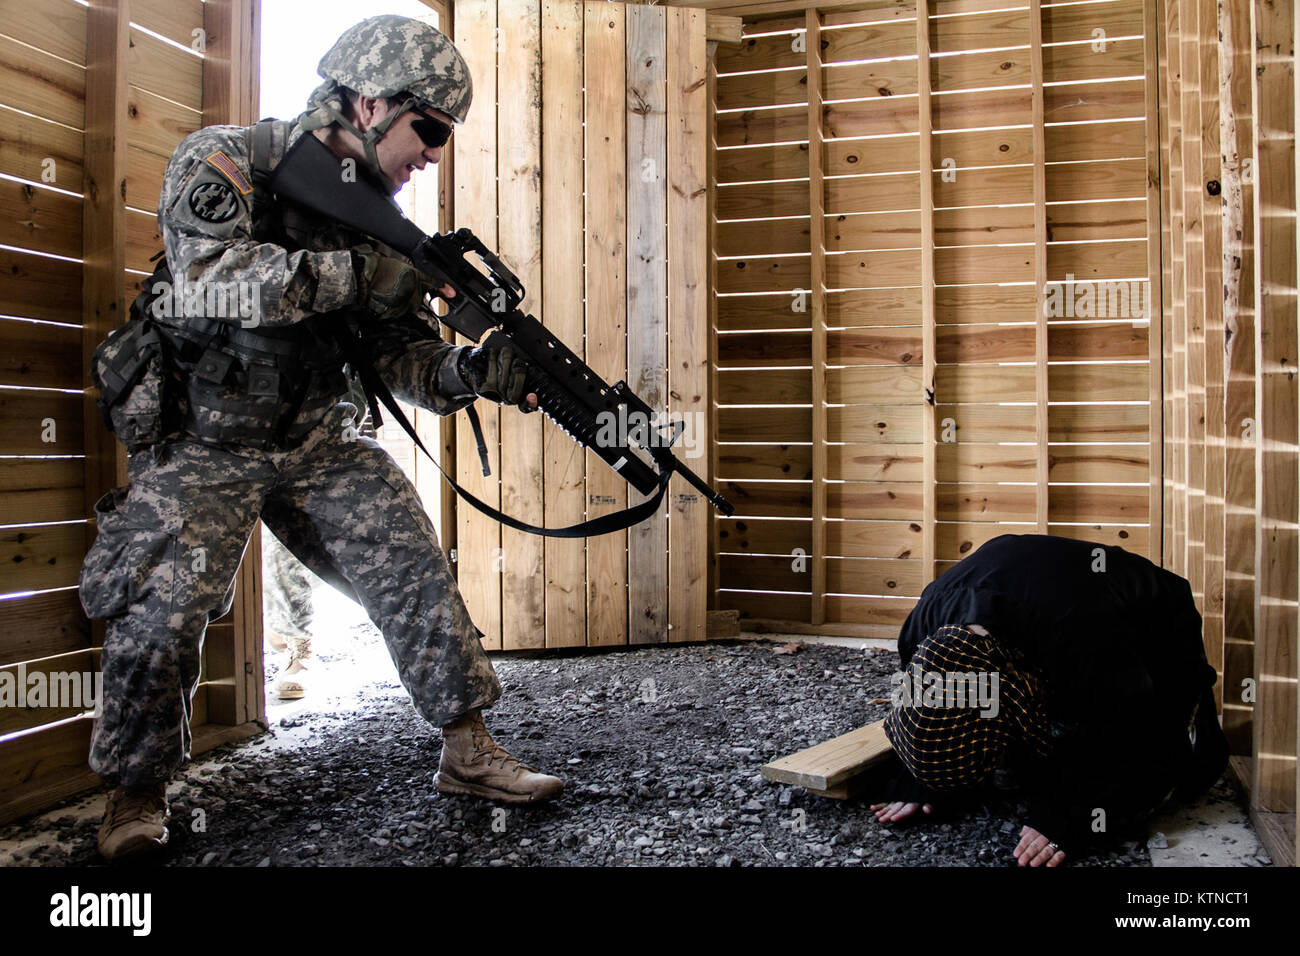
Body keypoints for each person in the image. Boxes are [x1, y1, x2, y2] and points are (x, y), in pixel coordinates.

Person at [80, 15, 561, 863]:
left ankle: (467, 751)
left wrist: (465, 375)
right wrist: (353, 272)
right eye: (431, 130)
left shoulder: (376, 221)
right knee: (159, 614)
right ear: (370, 100)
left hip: (316, 438)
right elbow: (206, 288)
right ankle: (133, 794)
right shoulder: (228, 161)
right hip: (204, 442)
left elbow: (397, 356)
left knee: (412, 566)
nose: (435, 155)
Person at [869, 534, 1229, 867]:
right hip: (1026, 589)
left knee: (1176, 762)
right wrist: (925, 777)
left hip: (1146, 611)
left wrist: (1071, 815)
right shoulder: (922, 630)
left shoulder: (1088, 644)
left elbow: (1132, 737)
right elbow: (928, 713)